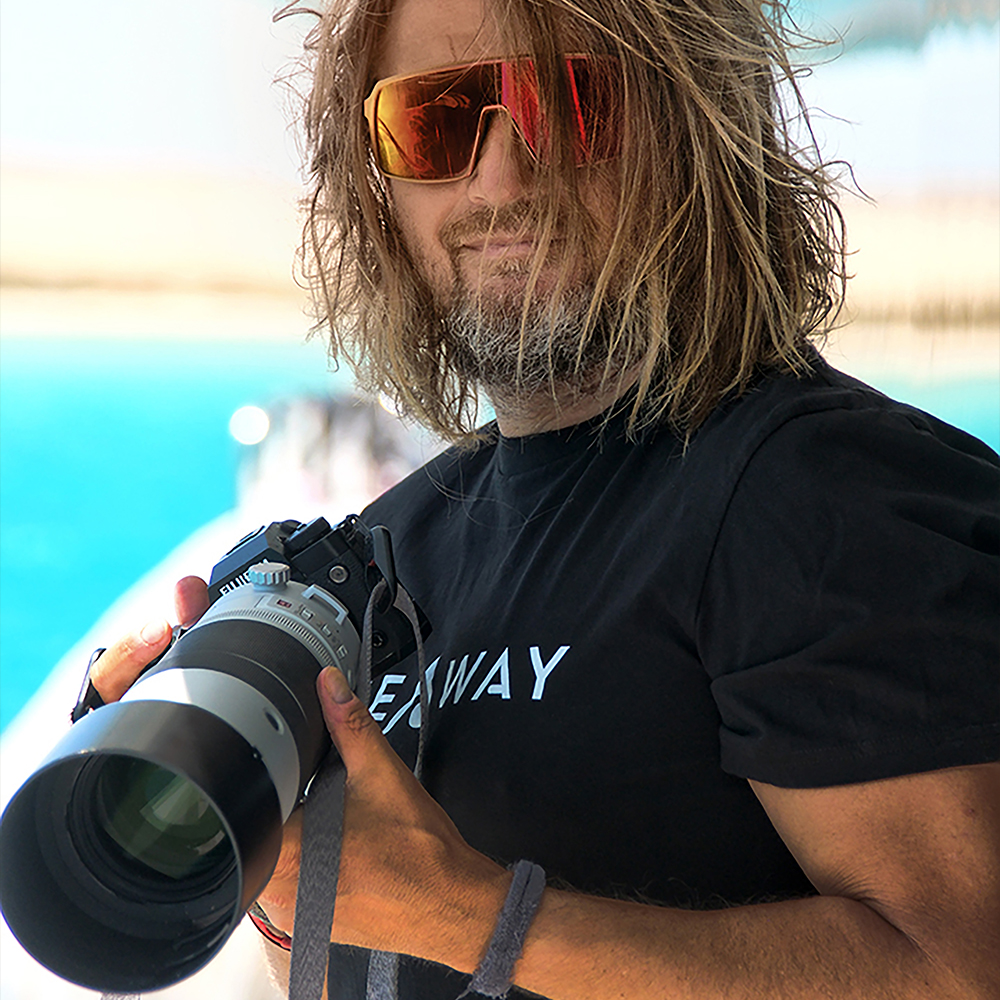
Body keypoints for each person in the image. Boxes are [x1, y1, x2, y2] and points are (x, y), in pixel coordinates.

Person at [93, 0, 1000, 997]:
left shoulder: (823, 494)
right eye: (433, 122)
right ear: (376, 186)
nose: (498, 178)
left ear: (700, 133)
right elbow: (354, 957)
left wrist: (467, 915)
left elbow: (957, 970)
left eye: (568, 107)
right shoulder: (387, 553)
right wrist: (216, 806)